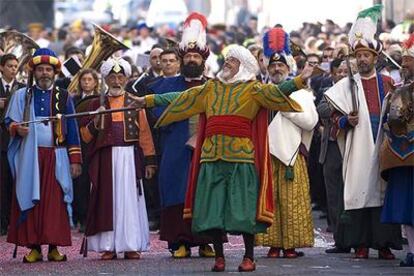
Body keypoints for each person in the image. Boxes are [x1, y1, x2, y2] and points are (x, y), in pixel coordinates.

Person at [137, 44, 315, 272]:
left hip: (241, 159)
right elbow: (182, 97)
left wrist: (300, 79)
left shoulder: (254, 89)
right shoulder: (211, 87)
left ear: (243, 65)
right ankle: (219, 257)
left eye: (231, 60)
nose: (227, 63)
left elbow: (277, 93)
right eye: (227, 60)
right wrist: (149, 100)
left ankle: (249, 257)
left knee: (244, 211)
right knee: (212, 210)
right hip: (211, 158)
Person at [324, 5, 402, 259]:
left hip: (382, 146)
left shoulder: (388, 83)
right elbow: (330, 116)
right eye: (359, 56)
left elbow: (399, 113)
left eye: (367, 55)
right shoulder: (345, 86)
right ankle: (360, 243)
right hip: (357, 148)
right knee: (359, 192)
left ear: (375, 58)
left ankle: (383, 245)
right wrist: (347, 121)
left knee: (381, 193)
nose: (362, 59)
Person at [147, 13, 216, 258]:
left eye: (196, 56)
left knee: (205, 193)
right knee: (176, 191)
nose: (192, 59)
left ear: (203, 60)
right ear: (182, 59)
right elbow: (156, 116)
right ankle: (180, 242)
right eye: (188, 56)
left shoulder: (214, 86)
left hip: (206, 149)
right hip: (175, 148)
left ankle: (207, 241)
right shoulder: (163, 87)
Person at [5, 48, 82, 263]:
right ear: (34, 72)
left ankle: (54, 247)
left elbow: (73, 129)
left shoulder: (64, 96)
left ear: (54, 73)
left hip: (56, 158)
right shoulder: (22, 95)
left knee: (55, 203)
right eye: (41, 70)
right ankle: (34, 248)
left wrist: (75, 159)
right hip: (30, 159)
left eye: (49, 69)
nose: (45, 73)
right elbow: (8, 122)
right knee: (32, 200)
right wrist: (16, 129)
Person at [79, 58, 157, 260]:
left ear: (126, 78)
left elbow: (145, 134)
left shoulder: (135, 101)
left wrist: (149, 160)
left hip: (130, 158)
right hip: (105, 160)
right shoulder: (96, 103)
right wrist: (97, 119)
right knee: (107, 201)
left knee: (130, 201)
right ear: (105, 79)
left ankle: (131, 245)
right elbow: (85, 137)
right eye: (112, 77)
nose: (116, 81)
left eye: (120, 77)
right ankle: (108, 246)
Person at [256, 27, 316, 258]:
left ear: (288, 68)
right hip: (266, 155)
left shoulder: (301, 93)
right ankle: (272, 245)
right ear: (268, 69)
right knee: (269, 202)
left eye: (281, 66)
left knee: (292, 203)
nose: (277, 69)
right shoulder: (261, 91)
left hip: (291, 155)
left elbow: (310, 122)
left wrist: (285, 107)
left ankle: (290, 246)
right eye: (273, 66)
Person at [379, 33, 414, 267]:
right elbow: (392, 120)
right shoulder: (399, 91)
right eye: (402, 60)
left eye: (408, 60)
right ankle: (413, 251)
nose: (403, 64)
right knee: (407, 208)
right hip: (404, 155)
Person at [318, 59, 352, 253]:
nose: (342, 74)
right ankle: (340, 240)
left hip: (352, 146)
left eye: (346, 71)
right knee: (333, 196)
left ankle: (355, 239)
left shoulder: (357, 92)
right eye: (339, 71)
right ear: (333, 74)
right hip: (331, 147)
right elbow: (321, 110)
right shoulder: (329, 93)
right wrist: (339, 108)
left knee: (352, 194)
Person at [72, 68, 100, 232]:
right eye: (84, 80)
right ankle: (81, 217)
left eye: (90, 80)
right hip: (79, 145)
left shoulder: (100, 100)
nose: (87, 82)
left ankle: (95, 217)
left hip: (94, 144)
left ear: (95, 82)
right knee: (80, 182)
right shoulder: (74, 100)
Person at [0, 53, 25, 235]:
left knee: (15, 180)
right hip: (1, 141)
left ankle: (14, 221)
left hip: (16, 141)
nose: (13, 69)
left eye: (15, 66)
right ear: (1, 68)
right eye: (9, 66)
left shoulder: (22, 88)